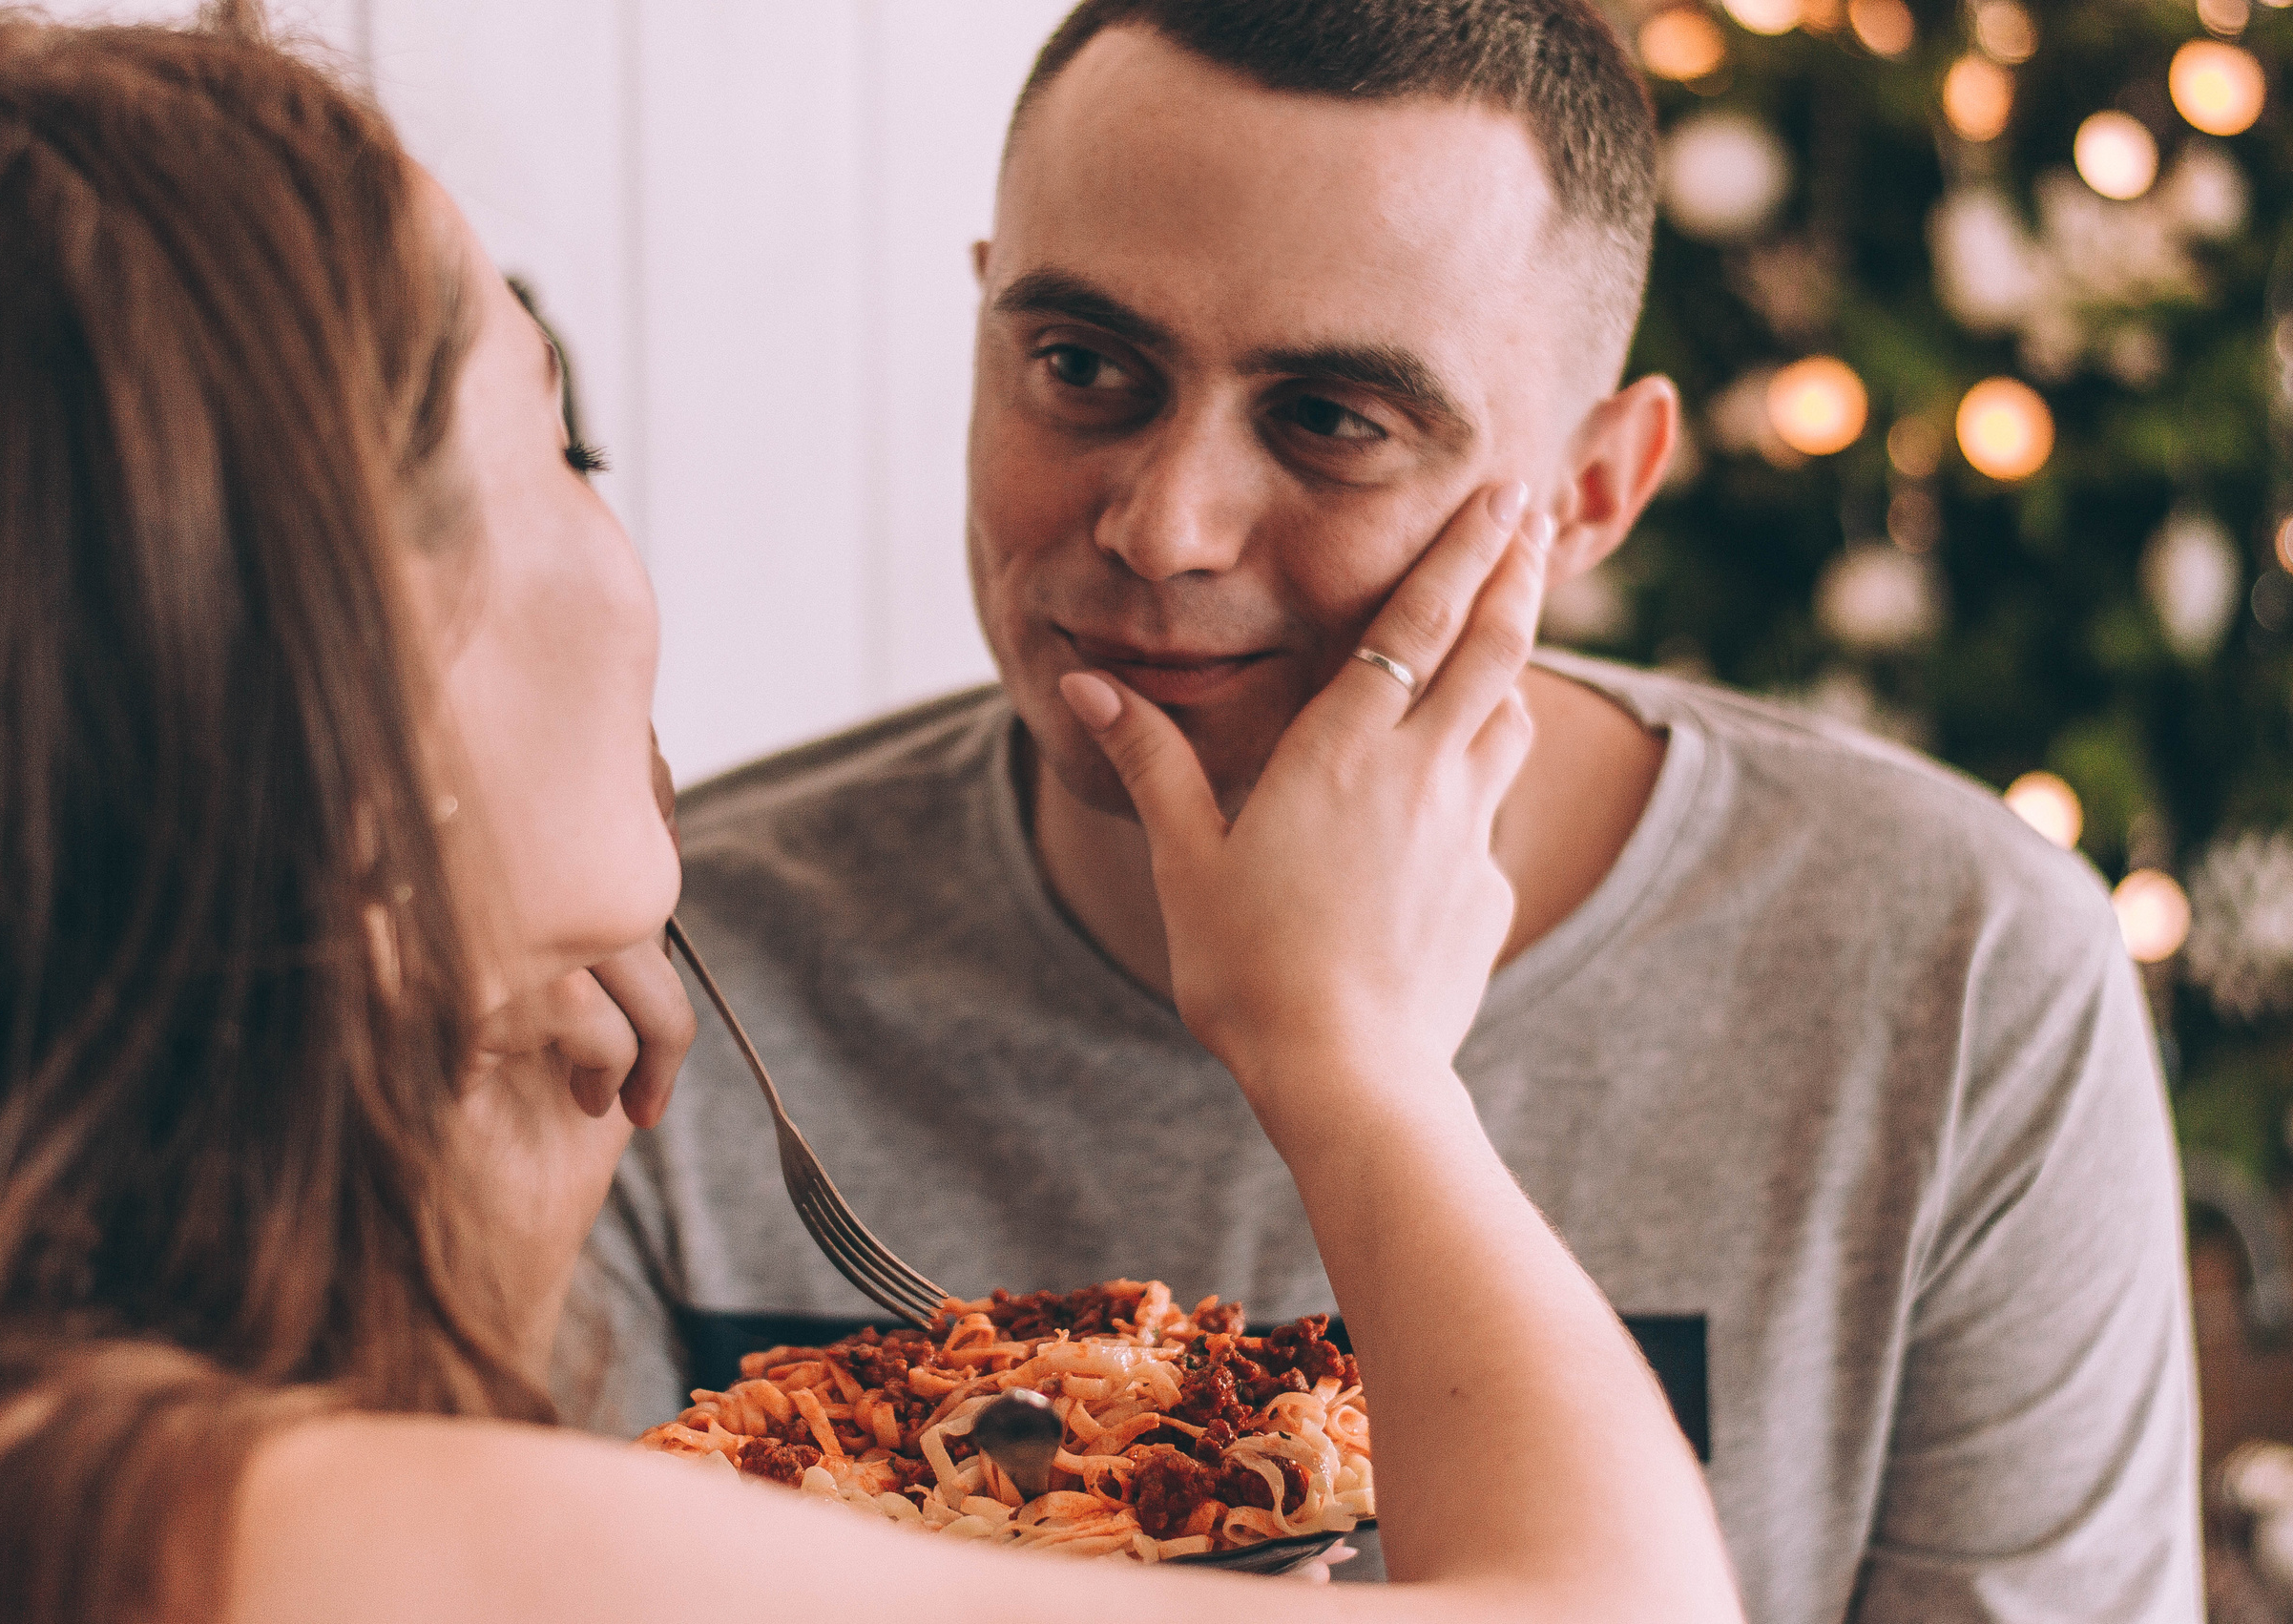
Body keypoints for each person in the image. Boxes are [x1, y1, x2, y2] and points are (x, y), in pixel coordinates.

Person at [0, 10, 1743, 1622]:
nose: (1166, 529)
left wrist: (466, 1161)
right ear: (348, 653)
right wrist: (1358, 1062)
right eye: (563, 448)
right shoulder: (244, 1525)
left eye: (1328, 415)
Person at [569, 1, 2203, 1617]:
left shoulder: (1961, 970)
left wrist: (1342, 1050)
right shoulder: (664, 958)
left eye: (1332, 420)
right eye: (1083, 367)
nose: (1165, 526)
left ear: (1591, 491)